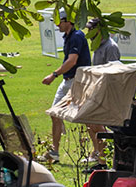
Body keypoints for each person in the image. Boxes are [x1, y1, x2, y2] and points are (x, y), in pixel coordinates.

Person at [41, 11, 104, 164]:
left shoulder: (77, 36)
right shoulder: (69, 36)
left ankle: (100, 152)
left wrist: (53, 75)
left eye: (59, 21)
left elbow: (72, 61)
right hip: (67, 80)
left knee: (88, 119)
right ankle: (54, 151)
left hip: (78, 81)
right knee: (55, 113)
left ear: (68, 21)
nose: (57, 25)